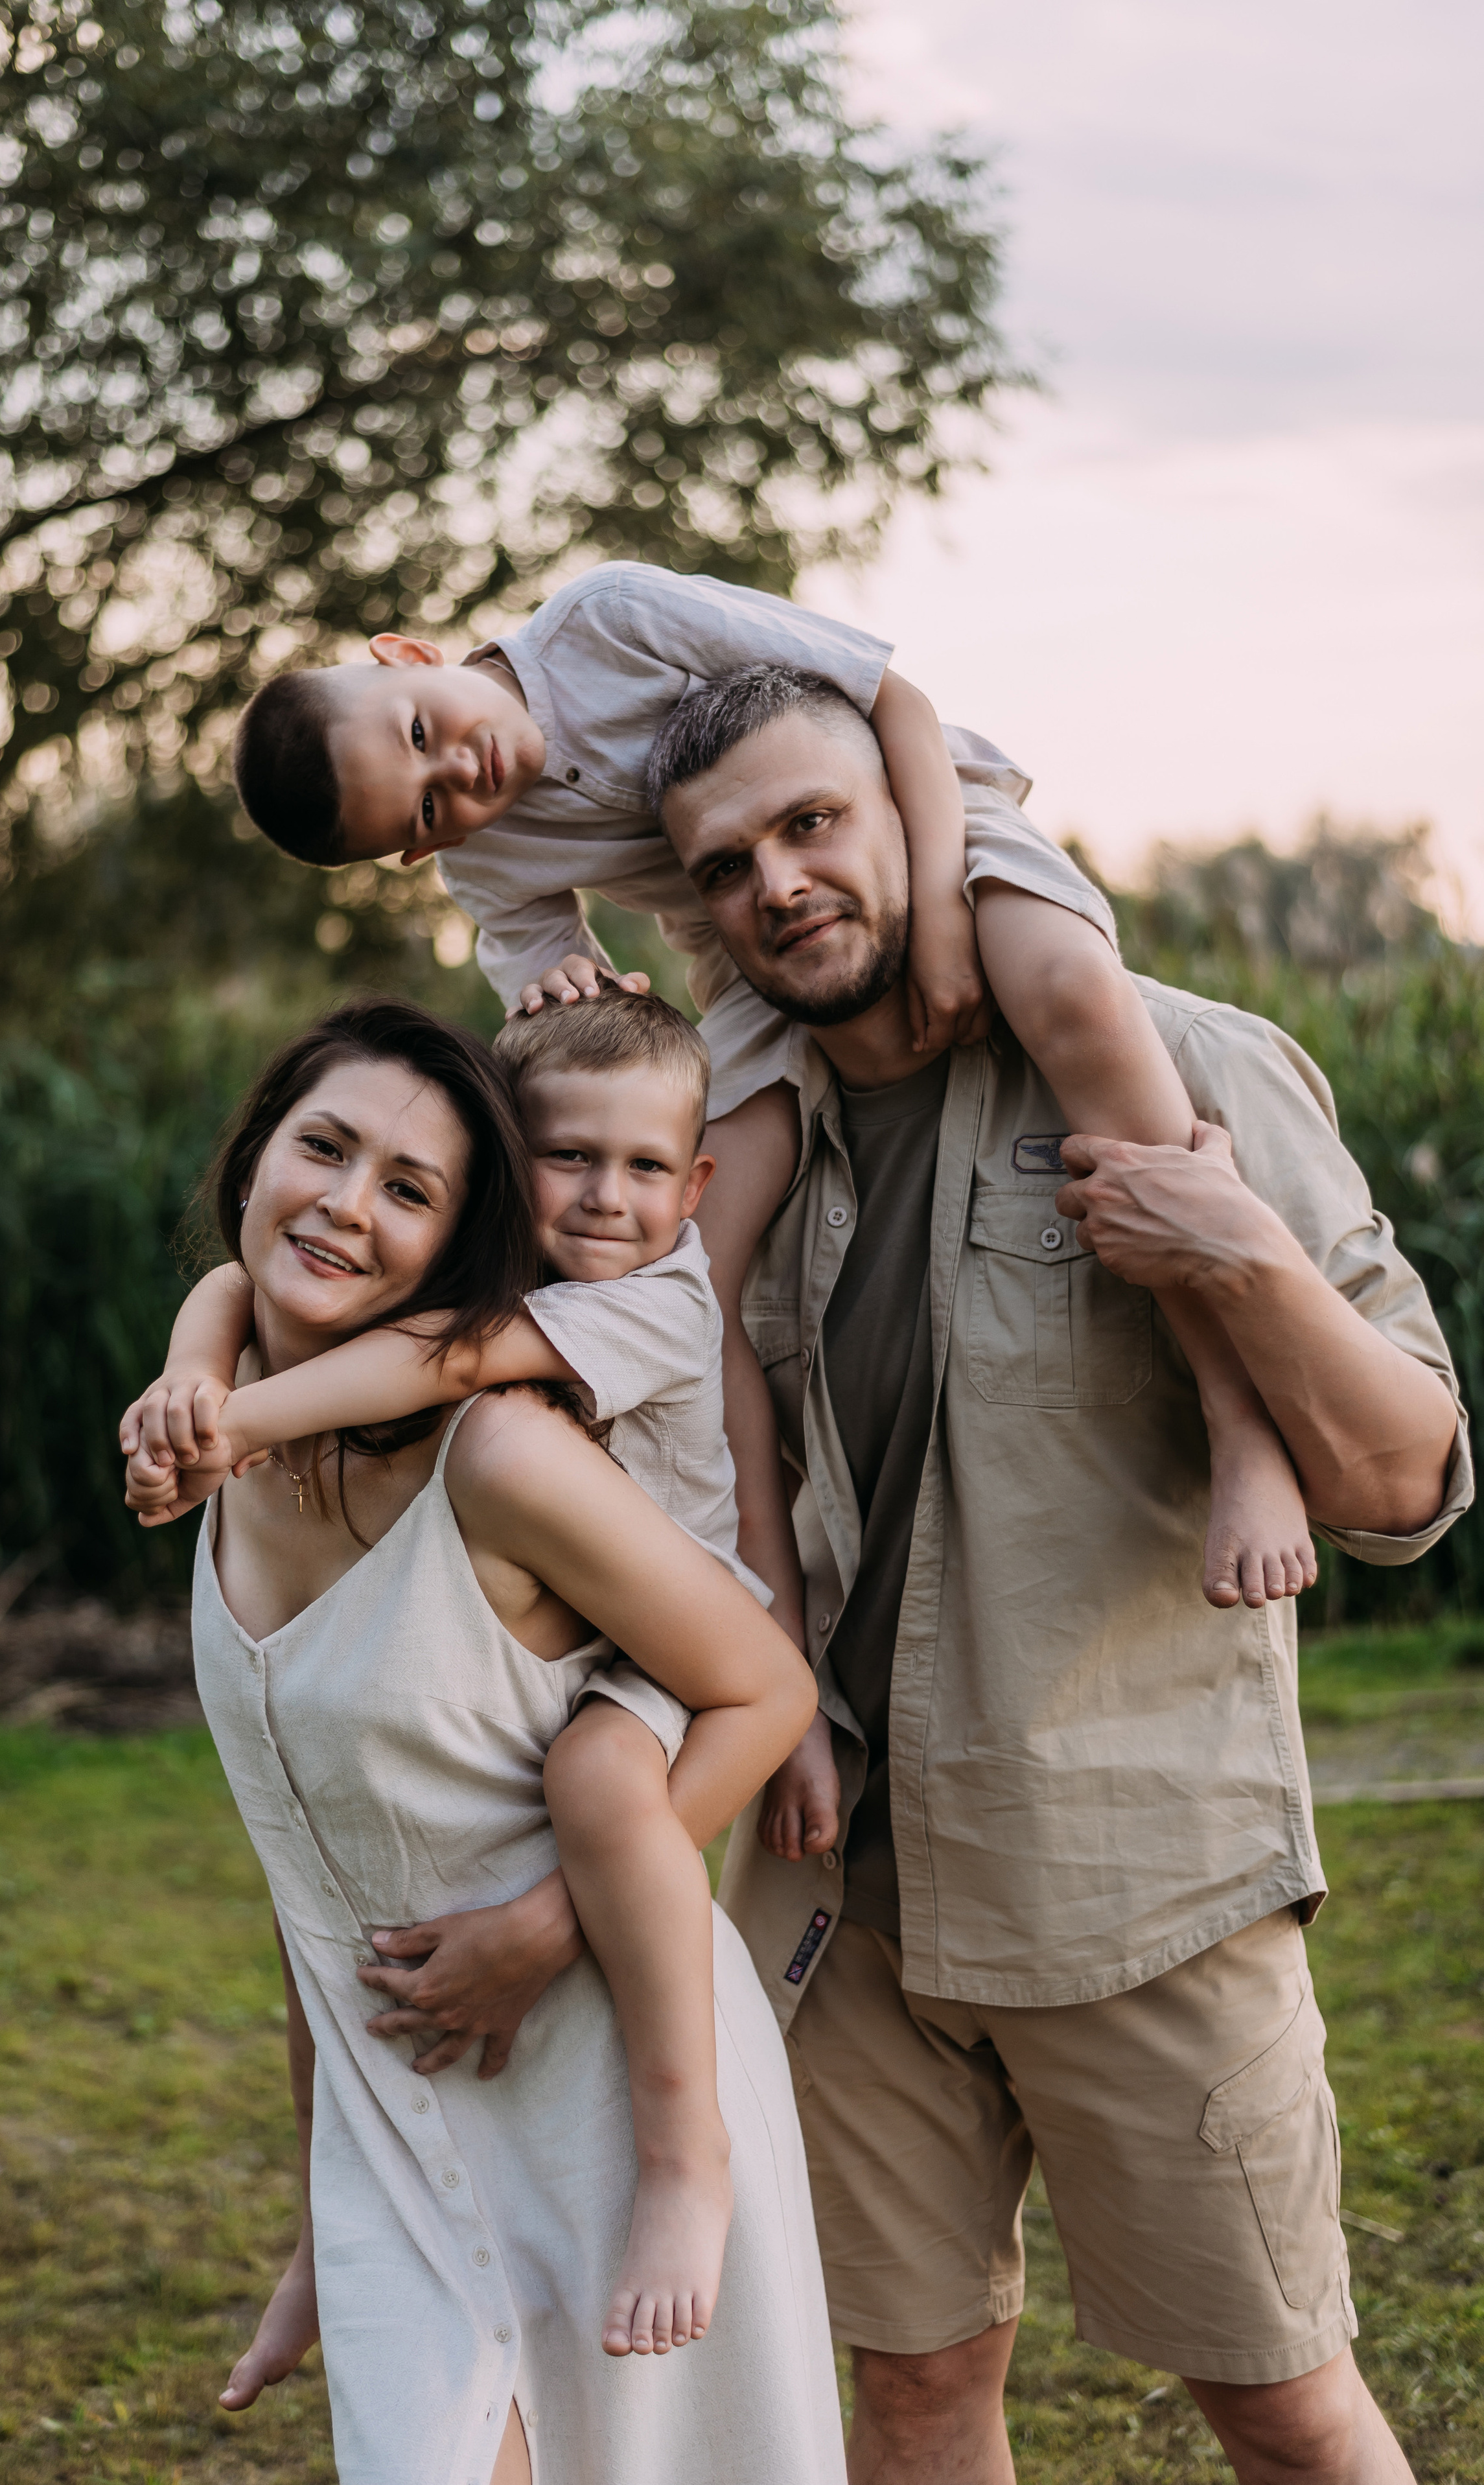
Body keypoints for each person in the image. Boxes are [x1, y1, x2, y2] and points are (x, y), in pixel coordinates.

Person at [622, 660, 1470, 2485]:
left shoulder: (1182, 1060)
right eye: (722, 863)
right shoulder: (725, 1151)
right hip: (836, 1894)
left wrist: (1238, 1251)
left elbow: (1405, 1481)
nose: (774, 881)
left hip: (1139, 1875)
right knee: (915, 2397)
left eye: (811, 822)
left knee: (1283, 2403)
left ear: (914, 818)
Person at [227, 560, 1314, 1621]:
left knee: (1071, 990)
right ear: (418, 857)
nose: (456, 780)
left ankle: (1242, 1422)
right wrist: (558, 982)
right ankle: (758, 1624)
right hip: (744, 947)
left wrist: (940, 910)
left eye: (421, 732)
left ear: (408, 656)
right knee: (701, 1258)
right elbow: (564, 1009)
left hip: (904, 817)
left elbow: (896, 699)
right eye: (422, 815)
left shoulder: (609, 622)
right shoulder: (489, 862)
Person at [173, 994, 844, 2484]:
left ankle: (694, 2166)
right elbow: (315, 1883)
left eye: (408, 1189)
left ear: (455, 1242)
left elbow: (765, 1690)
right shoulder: (220, 1461)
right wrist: (314, 2218)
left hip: (606, 2085)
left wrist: (548, 1923)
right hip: (394, 2126)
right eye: (324, 1148)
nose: (349, 1205)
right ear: (252, 1165)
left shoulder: (505, 1454)